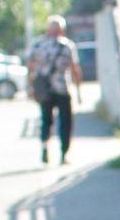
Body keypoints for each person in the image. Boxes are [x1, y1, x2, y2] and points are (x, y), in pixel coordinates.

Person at [27, 15, 81, 165]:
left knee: (46, 119)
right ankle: (64, 154)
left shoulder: (37, 44)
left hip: (44, 89)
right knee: (65, 121)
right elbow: (75, 69)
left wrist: (30, 87)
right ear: (61, 30)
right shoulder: (67, 46)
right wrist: (78, 90)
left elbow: (30, 67)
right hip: (62, 88)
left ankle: (45, 145)